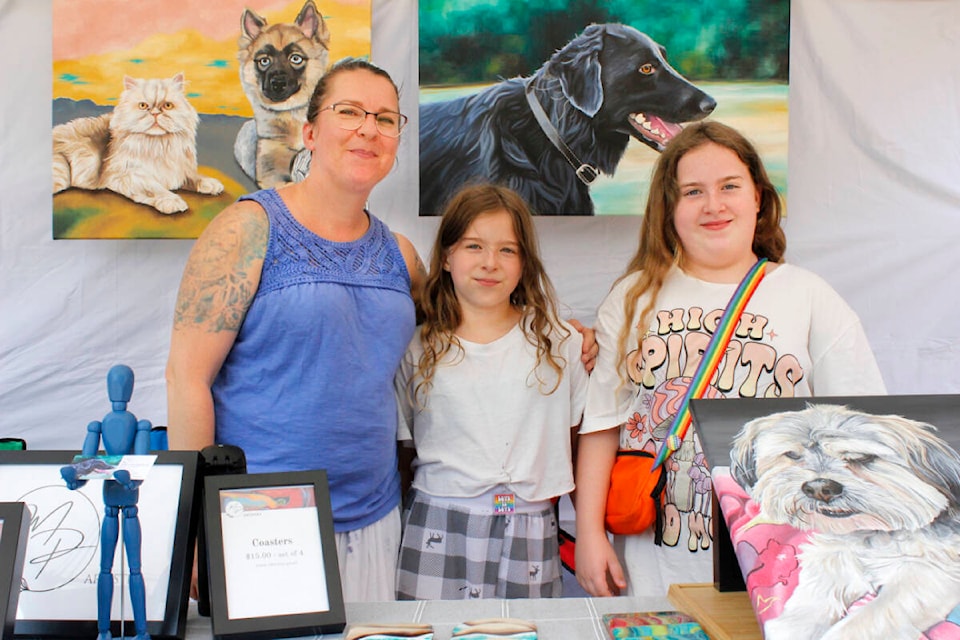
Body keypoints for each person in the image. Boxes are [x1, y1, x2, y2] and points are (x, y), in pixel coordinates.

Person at [574, 120, 886, 598]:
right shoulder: (633, 298)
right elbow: (601, 425)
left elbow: (864, 436)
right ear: (668, 209)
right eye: (693, 191)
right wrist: (591, 534)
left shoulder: (808, 297)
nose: (713, 205)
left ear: (758, 198)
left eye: (729, 187)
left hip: (783, 560)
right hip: (653, 561)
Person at [165, 57, 425, 602]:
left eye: (385, 118)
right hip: (264, 520)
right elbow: (187, 380)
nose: (367, 129)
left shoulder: (400, 255)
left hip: (375, 515)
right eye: (348, 111)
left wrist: (565, 334)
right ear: (310, 130)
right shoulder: (248, 229)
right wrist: (190, 527)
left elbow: (471, 324)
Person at [394, 184, 589, 600]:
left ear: (524, 263)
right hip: (437, 521)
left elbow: (573, 440)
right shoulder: (416, 348)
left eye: (507, 250)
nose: (489, 263)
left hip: (530, 526)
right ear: (446, 256)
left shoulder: (560, 344)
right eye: (473, 246)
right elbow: (404, 449)